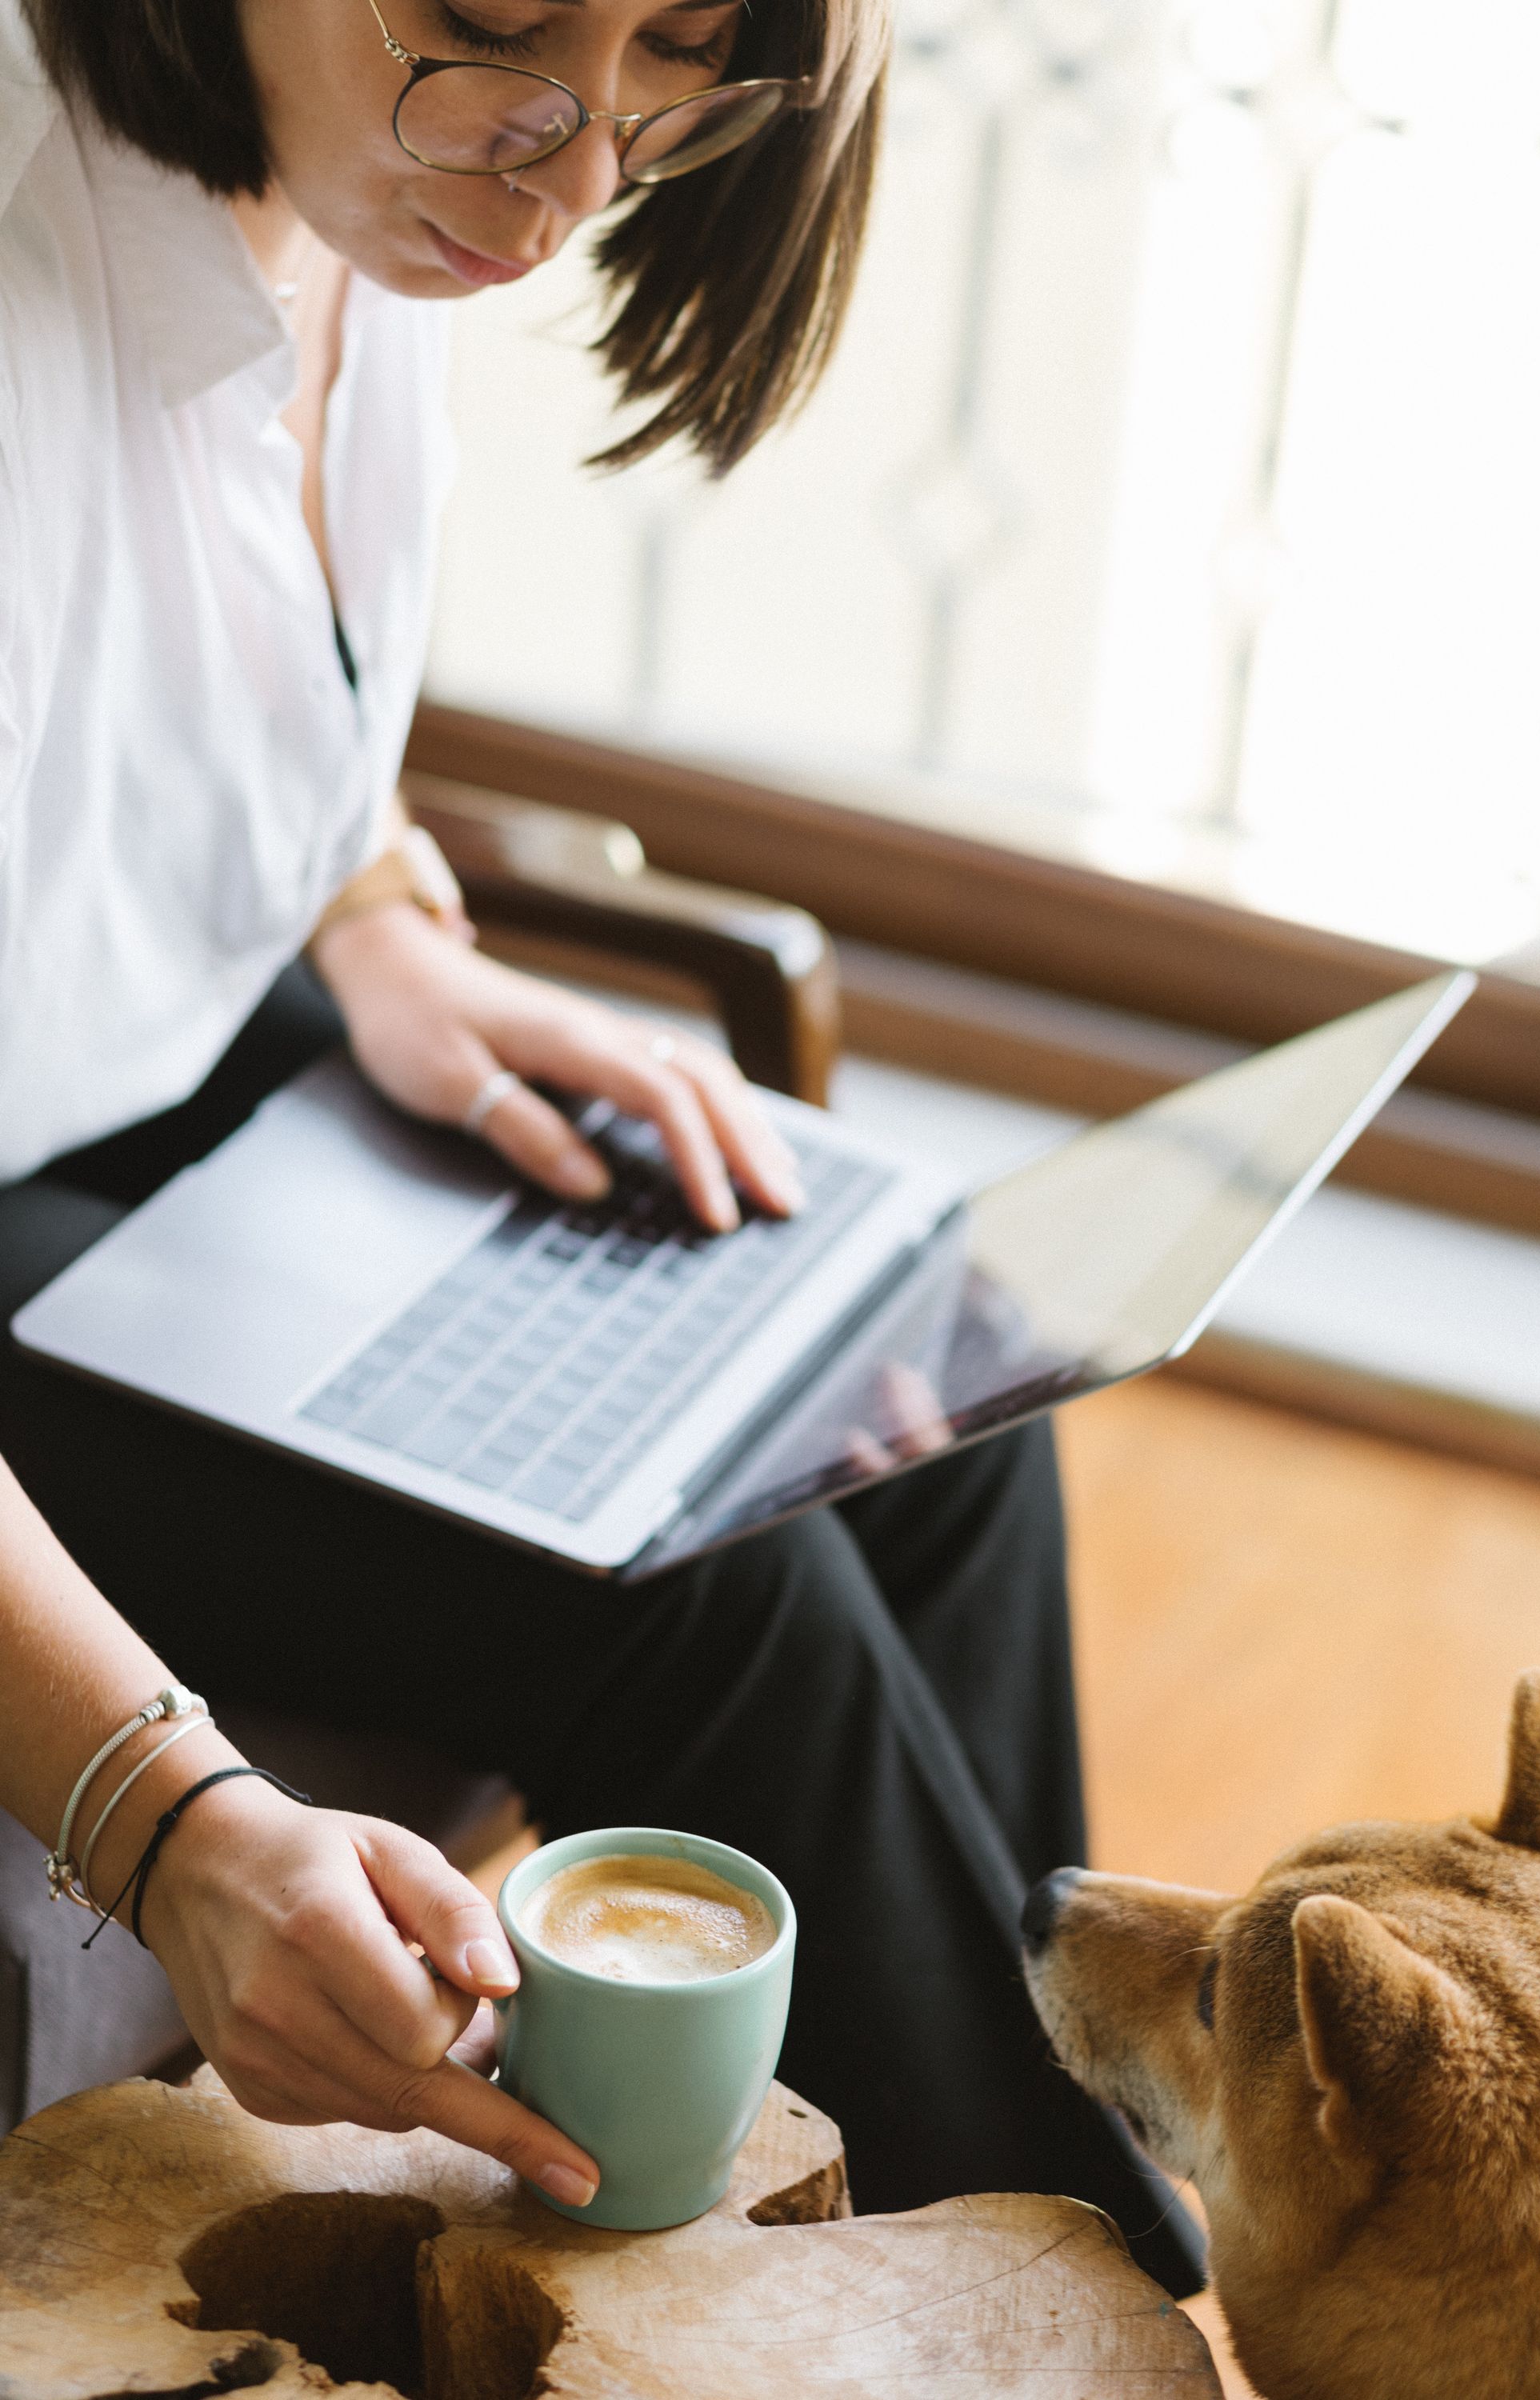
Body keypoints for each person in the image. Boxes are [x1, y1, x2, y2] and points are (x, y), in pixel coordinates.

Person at [0, 0, 1198, 2288]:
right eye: (489, 33)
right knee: (721, 1593)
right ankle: (1071, 2312)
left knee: (926, 1395)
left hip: (125, 1069)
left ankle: (1008, 2261)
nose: (563, 185)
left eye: (667, 72)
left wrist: (376, 919)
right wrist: (161, 1814)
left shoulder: (354, 174)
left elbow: (190, 668)